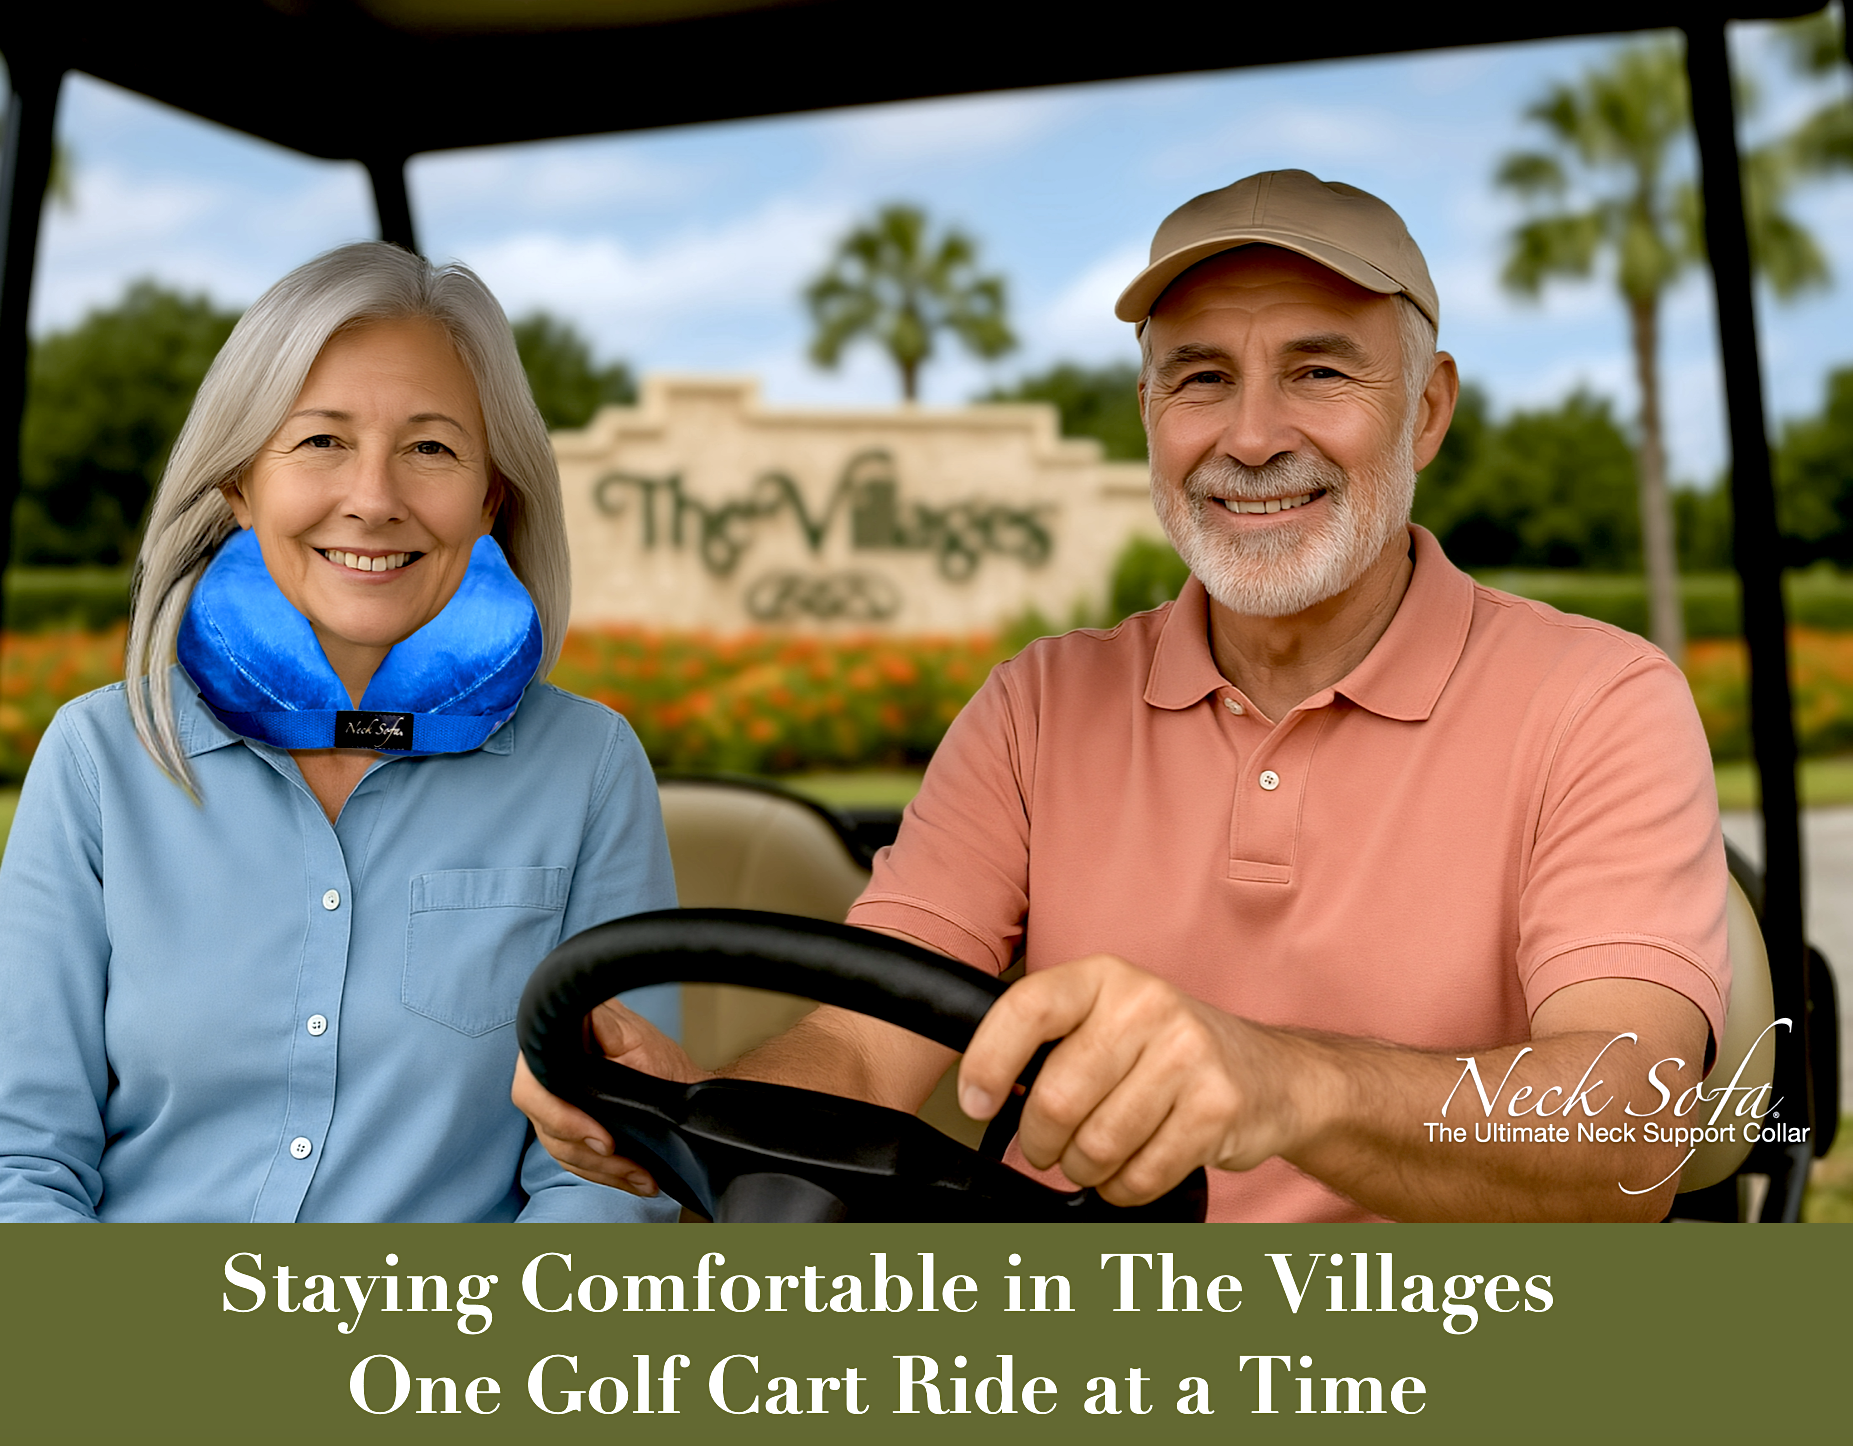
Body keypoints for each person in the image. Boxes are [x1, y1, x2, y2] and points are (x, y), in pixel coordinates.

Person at [515, 171, 1730, 1222]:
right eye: (1199, 378)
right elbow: (860, 1041)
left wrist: (1283, 1082)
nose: (1250, 437)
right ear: (1149, 413)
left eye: (1318, 370)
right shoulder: (1039, 705)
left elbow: (1631, 1130)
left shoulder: (1597, 700)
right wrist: (690, 1107)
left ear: (1426, 408)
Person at [0, 242, 679, 1223]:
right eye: (321, 440)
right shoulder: (98, 759)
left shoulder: (586, 770)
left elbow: (602, 1178)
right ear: (240, 484)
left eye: (431, 449)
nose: (373, 500)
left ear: (490, 497)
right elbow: (11, 1161)